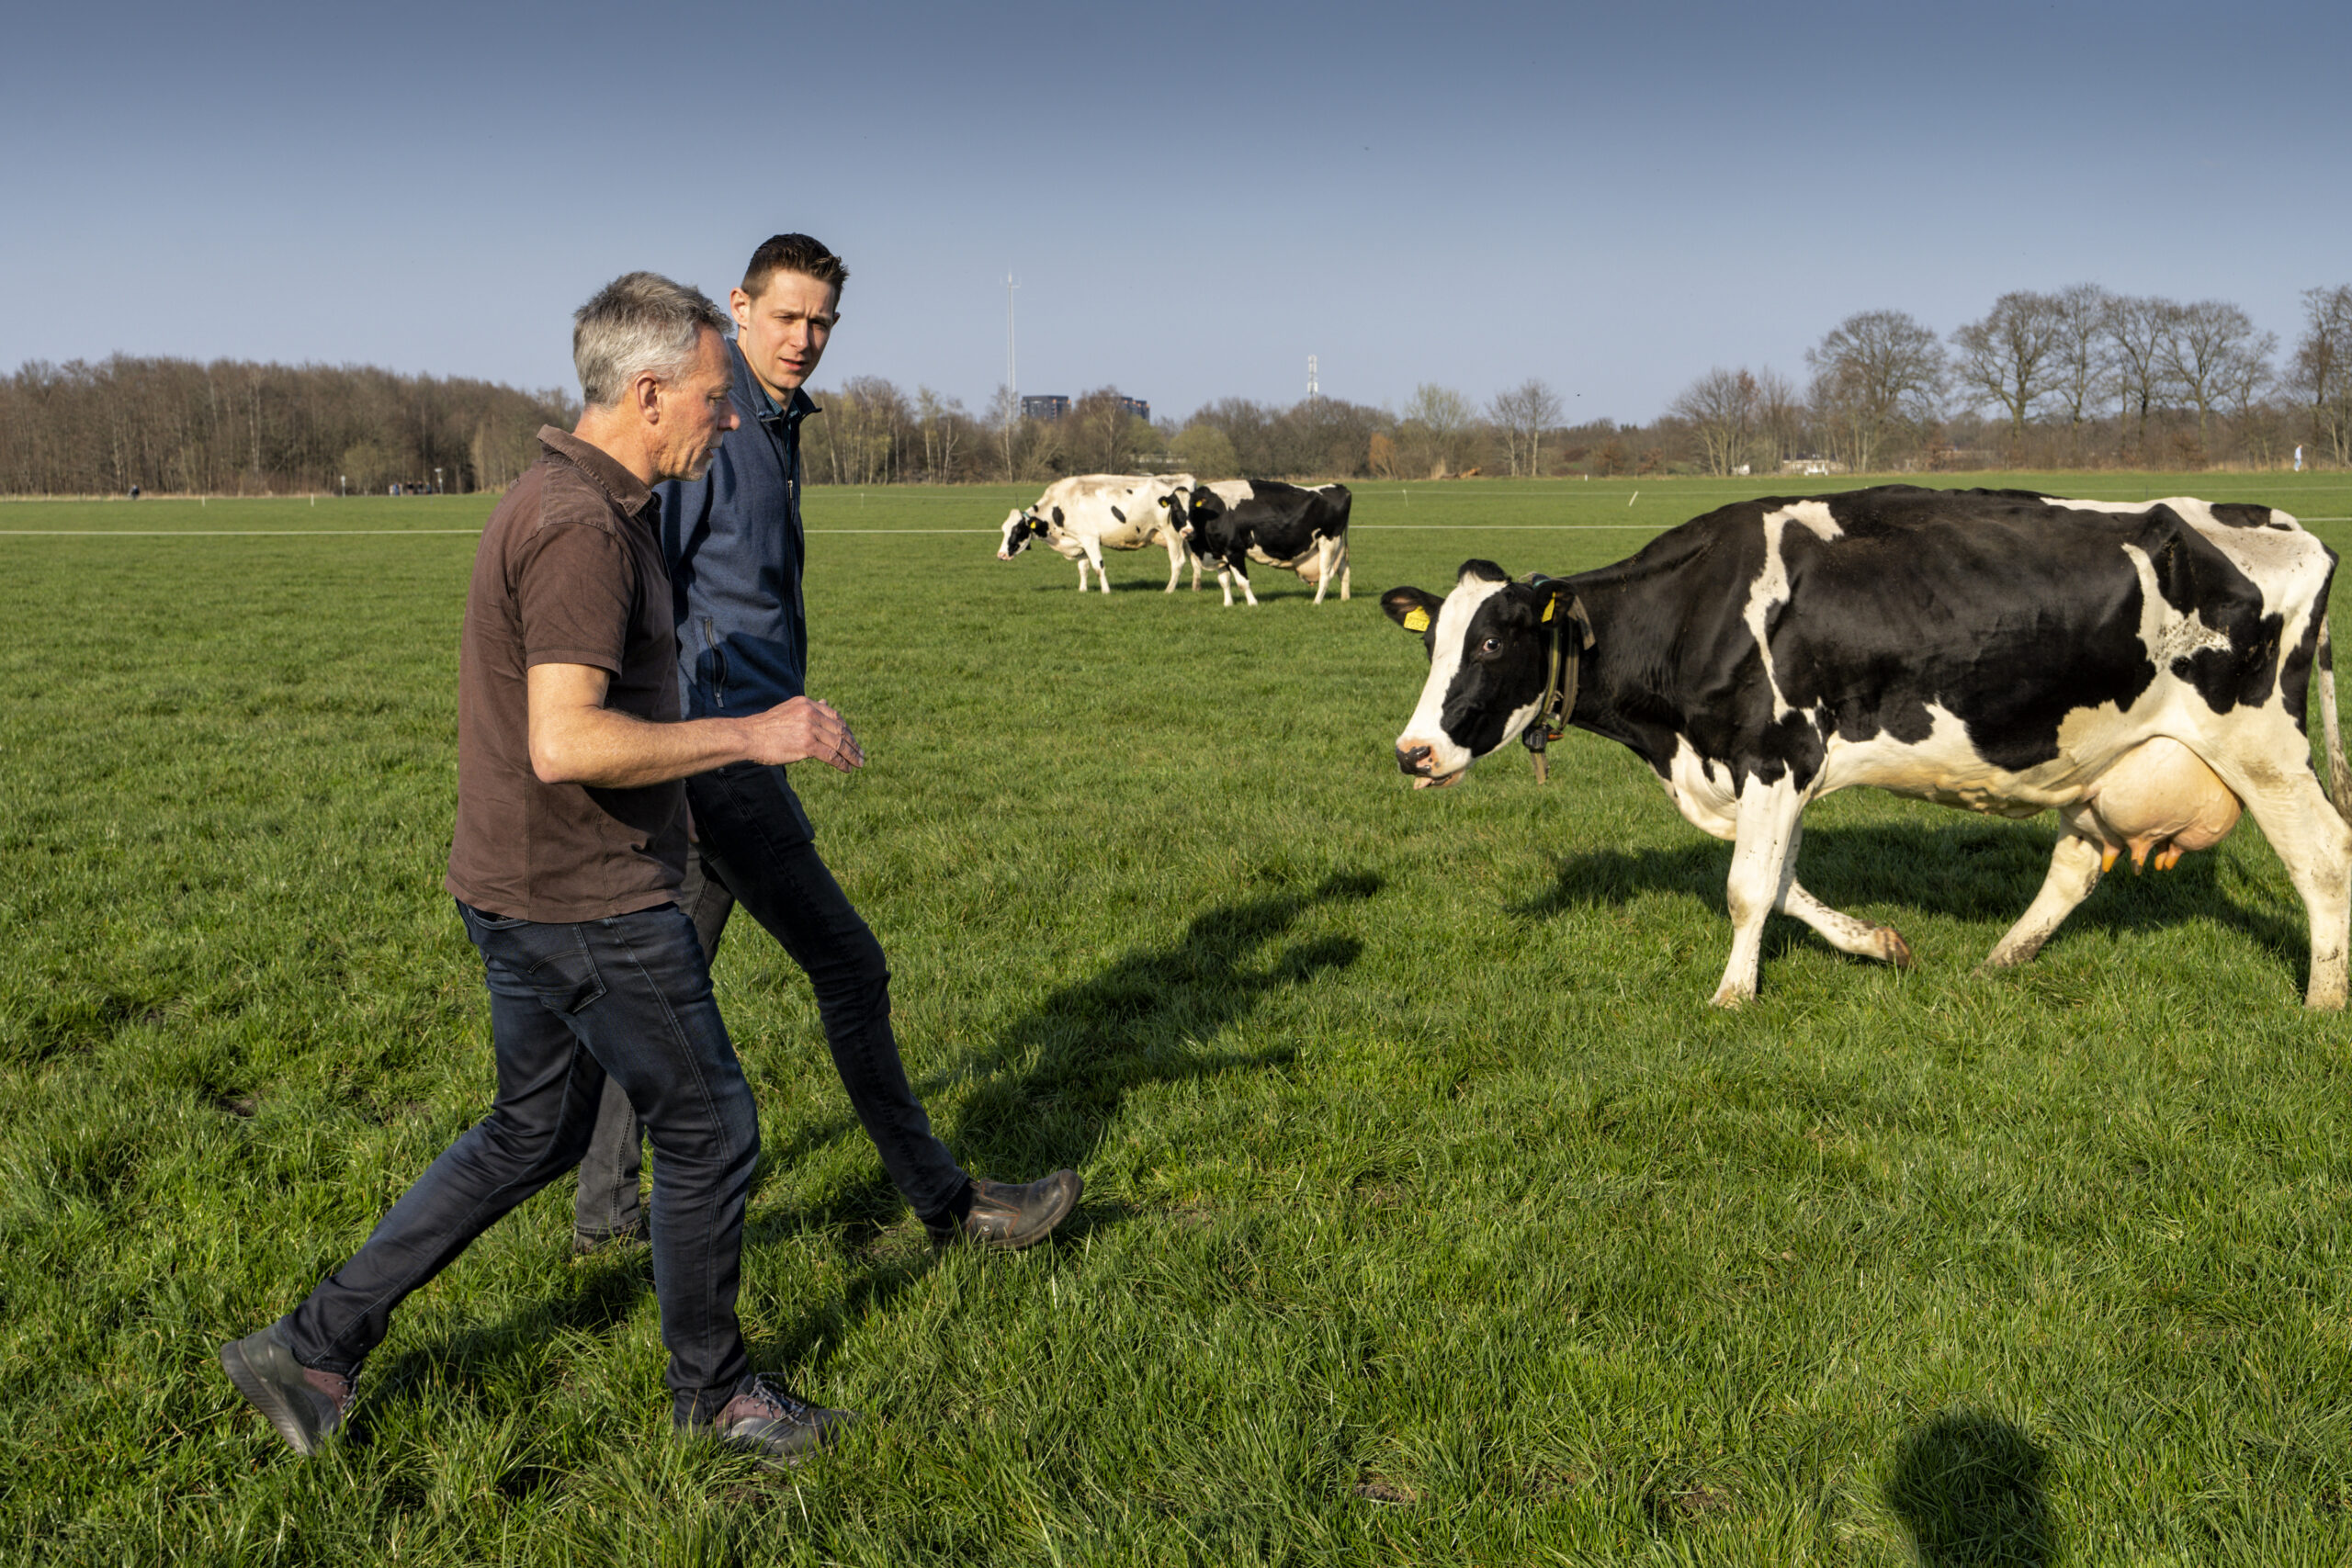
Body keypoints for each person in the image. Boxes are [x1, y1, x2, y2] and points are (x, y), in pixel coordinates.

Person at [220, 272, 859, 1466]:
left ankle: (308, 1345)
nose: (728, 422)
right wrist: (755, 732)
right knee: (713, 1125)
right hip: (588, 898)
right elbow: (565, 740)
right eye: (715, 401)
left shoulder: (573, 498)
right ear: (652, 391)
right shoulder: (580, 530)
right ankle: (717, 1395)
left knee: (532, 1130)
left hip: (513, 887)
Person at [571, 232, 1080, 1257]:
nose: (805, 338)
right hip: (721, 754)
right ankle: (949, 1205)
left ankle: (604, 1215)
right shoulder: (712, 431)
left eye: (822, 322)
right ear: (739, 306)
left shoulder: (772, 425)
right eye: (787, 316)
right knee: (850, 967)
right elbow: (645, 589)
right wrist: (699, 742)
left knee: (673, 986)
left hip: (732, 745)